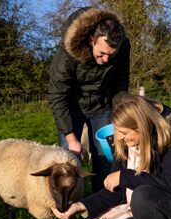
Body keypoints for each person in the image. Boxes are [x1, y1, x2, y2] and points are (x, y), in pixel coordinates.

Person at [51, 95, 171, 219]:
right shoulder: (126, 142)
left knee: (141, 195)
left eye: (124, 132)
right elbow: (115, 188)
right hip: (143, 207)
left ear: (140, 126)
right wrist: (81, 205)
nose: (119, 137)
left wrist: (125, 176)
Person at [48, 7, 131, 192]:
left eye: (111, 54)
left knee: (106, 157)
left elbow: (121, 83)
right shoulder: (68, 52)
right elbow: (57, 95)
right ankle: (69, 205)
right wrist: (71, 138)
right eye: (101, 53)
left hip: (102, 106)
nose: (106, 59)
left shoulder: (124, 46)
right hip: (71, 108)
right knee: (69, 160)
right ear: (91, 40)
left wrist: (120, 120)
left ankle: (102, 202)